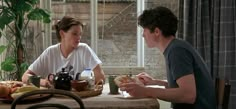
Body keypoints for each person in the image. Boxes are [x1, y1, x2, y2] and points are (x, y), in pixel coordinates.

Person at [119, 6, 216, 109]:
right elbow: (182, 88)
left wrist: (146, 91)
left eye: (144, 30)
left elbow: (188, 95)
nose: (143, 35)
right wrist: (156, 82)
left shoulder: (176, 51)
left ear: (157, 32)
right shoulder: (176, 47)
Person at [22, 16, 105, 88]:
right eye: (75, 34)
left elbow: (101, 79)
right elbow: (25, 77)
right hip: (55, 98)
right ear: (62, 34)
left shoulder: (84, 50)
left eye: (80, 34)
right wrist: (43, 82)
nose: (79, 37)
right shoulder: (50, 52)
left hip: (79, 98)